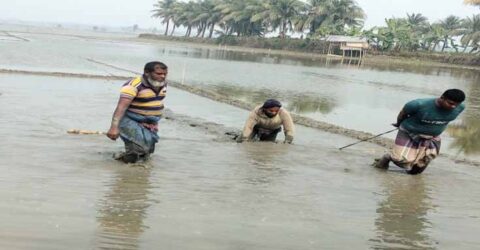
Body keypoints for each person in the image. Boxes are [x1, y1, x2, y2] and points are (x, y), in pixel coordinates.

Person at [374, 89, 466, 174]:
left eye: (456, 104)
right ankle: (387, 157)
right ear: (442, 98)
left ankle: (413, 176)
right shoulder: (418, 104)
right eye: (450, 103)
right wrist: (398, 124)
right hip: (409, 132)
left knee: (422, 163)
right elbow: (403, 114)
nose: (453, 107)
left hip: (432, 136)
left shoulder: (461, 107)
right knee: (401, 159)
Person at [106, 61, 168, 163]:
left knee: (147, 152)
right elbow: (121, 107)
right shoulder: (133, 86)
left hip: (150, 123)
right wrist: (113, 128)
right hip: (130, 120)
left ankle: (128, 162)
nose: (162, 76)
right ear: (147, 73)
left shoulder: (163, 84)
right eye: (158, 74)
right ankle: (124, 166)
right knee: (137, 150)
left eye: (165, 74)